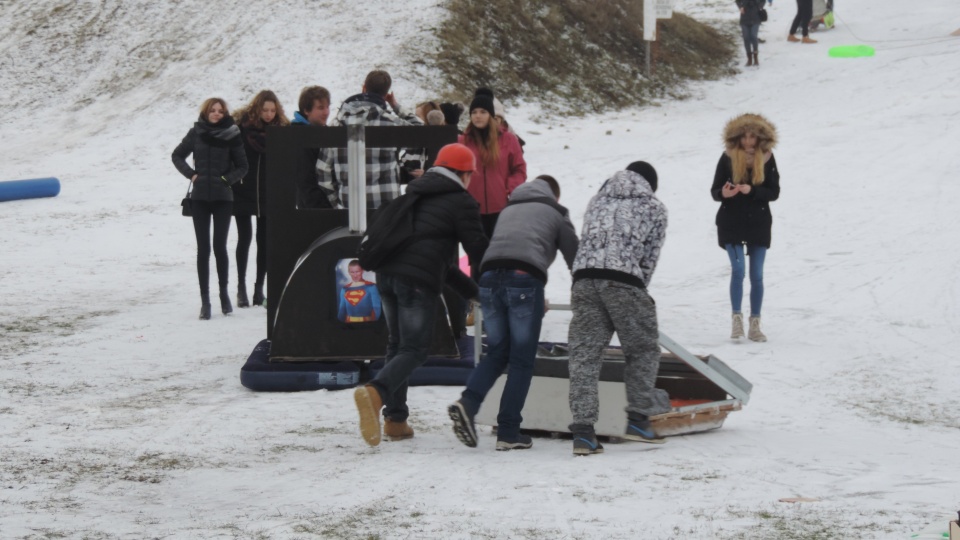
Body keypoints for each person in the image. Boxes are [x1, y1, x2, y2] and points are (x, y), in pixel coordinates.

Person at [353, 143, 488, 447]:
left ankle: (396, 421)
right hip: (415, 282)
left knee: (398, 344)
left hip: (386, 276)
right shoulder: (460, 201)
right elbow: (477, 250)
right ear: (464, 174)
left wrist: (473, 293)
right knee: (414, 349)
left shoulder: (414, 193)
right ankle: (375, 394)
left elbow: (444, 265)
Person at [448, 175, 579, 451]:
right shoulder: (556, 211)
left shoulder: (509, 209)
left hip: (489, 277)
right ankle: (508, 430)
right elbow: (574, 256)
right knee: (521, 359)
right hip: (524, 280)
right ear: (554, 196)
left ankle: (468, 403)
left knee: (496, 352)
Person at [567, 162, 670, 456]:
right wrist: (637, 290)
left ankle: (584, 433)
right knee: (643, 349)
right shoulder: (654, 207)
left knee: (584, 356)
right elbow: (649, 258)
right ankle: (638, 420)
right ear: (650, 184)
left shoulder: (597, 199)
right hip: (623, 279)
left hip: (584, 279)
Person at [172, 97, 249, 320]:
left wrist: (226, 180)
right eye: (212, 110)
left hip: (223, 198)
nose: (216, 114)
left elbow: (243, 166)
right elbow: (177, 155)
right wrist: (192, 175)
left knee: (220, 247)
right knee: (203, 249)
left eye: (220, 111)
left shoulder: (232, 134)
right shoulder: (196, 132)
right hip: (199, 199)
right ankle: (205, 301)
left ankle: (224, 294)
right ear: (205, 112)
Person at [711, 113, 780, 342]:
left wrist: (753, 191)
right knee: (738, 271)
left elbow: (774, 192)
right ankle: (736, 320)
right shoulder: (726, 157)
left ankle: (755, 324)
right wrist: (725, 193)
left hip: (758, 224)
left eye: (753, 136)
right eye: (744, 136)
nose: (748, 141)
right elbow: (714, 191)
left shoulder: (768, 158)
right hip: (731, 222)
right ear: (737, 137)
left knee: (757, 275)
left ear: (761, 138)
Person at [316, 70, 421, 209]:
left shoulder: (337, 124)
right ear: (386, 95)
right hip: (386, 211)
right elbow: (420, 130)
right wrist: (395, 105)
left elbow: (323, 169)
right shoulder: (392, 123)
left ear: (364, 88)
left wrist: (337, 203)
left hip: (349, 211)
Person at [231, 90, 289, 308]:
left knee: (264, 241)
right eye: (265, 110)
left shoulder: (281, 132)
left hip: (268, 193)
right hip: (243, 190)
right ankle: (241, 289)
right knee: (244, 239)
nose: (269, 114)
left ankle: (258, 289)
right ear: (257, 109)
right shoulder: (241, 129)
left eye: (273, 110)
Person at [459, 88, 527, 238]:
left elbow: (519, 169)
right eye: (474, 112)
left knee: (500, 254)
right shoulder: (463, 141)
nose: (478, 116)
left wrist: (508, 188)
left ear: (491, 114)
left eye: (483, 112)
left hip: (501, 208)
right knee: (477, 258)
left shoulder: (508, 139)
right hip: (472, 210)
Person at [291, 86, 333, 209]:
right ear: (306, 110)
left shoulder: (324, 132)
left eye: (327, 107)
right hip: (314, 209)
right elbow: (305, 180)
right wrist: (321, 208)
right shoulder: (300, 135)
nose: (326, 112)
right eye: (320, 108)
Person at [737, 0, 765, 66]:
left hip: (756, 18)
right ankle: (749, 58)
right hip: (744, 18)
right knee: (746, 37)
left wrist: (760, 6)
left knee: (753, 36)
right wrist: (741, 7)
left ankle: (755, 56)